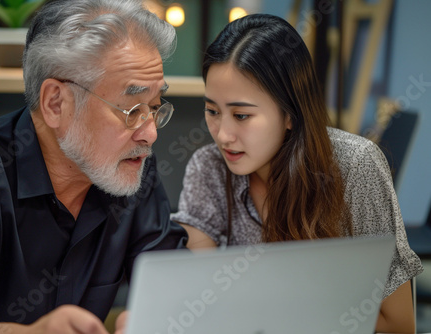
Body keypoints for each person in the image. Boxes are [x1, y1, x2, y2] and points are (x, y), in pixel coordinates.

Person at [0, 0, 187, 333]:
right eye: (131, 110)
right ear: (55, 103)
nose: (149, 133)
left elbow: (170, 281)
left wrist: (148, 317)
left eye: (153, 107)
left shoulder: (131, 169)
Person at [171, 13, 423, 333]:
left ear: (290, 114)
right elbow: (198, 297)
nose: (222, 135)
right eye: (212, 111)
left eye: (241, 115)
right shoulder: (208, 167)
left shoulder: (356, 166)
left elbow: (398, 325)